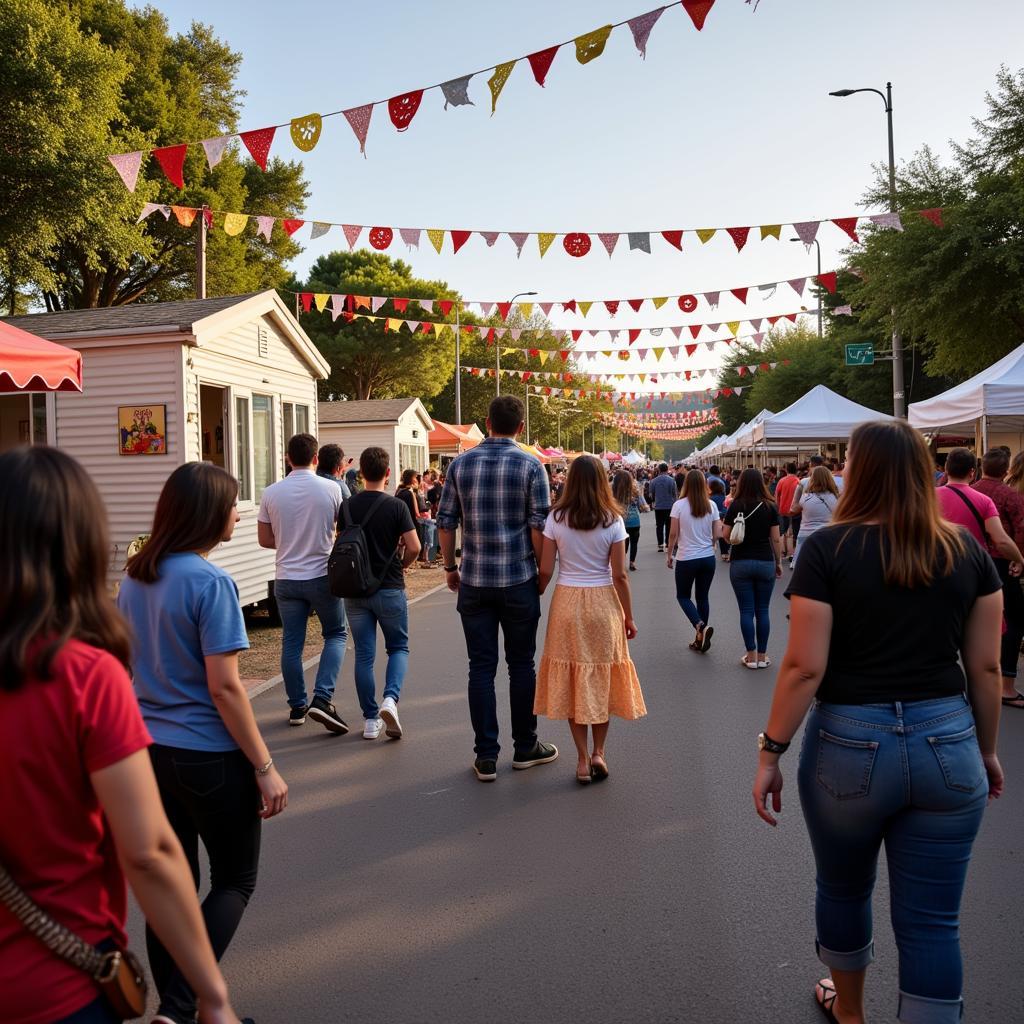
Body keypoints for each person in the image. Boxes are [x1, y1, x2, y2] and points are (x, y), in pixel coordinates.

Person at [753, 419, 1005, 1024]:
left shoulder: (828, 550)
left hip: (848, 740)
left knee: (843, 889)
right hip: (948, 739)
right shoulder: (965, 550)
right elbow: (988, 666)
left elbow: (803, 668)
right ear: (926, 472)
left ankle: (852, 1011)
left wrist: (771, 754)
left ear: (855, 473)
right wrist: (987, 750)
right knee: (933, 923)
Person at [0, 447, 243, 1024]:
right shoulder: (81, 676)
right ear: (79, 543)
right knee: (227, 874)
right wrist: (211, 996)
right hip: (54, 984)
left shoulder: (140, 582)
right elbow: (149, 855)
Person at [119, 462, 288, 1024]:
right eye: (234, 504)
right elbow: (225, 688)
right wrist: (264, 765)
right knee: (236, 879)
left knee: (175, 887)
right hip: (208, 756)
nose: (238, 513)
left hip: (147, 753)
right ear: (209, 515)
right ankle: (181, 1006)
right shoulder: (211, 582)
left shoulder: (135, 578)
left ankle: (177, 1007)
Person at [437, 395, 558, 782]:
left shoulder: (460, 464)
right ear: (520, 428)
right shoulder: (531, 466)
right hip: (518, 577)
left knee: (481, 668)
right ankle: (525, 746)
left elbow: (445, 522)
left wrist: (449, 566)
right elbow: (539, 525)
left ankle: (486, 755)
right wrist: (542, 573)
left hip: (474, 579)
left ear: (486, 422)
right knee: (521, 664)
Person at [534, 456, 645, 784]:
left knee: (572, 680)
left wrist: (537, 594)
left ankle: (582, 760)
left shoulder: (555, 518)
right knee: (601, 679)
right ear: (601, 480)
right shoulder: (613, 520)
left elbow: (545, 568)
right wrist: (629, 616)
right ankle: (599, 752)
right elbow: (620, 575)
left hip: (567, 602)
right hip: (602, 604)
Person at [257, 433, 349, 733]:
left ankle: (297, 705)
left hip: (286, 578)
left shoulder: (271, 492)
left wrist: (289, 541)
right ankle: (322, 698)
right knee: (335, 634)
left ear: (287, 458)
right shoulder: (332, 489)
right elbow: (344, 529)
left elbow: (265, 539)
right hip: (322, 574)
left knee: (291, 643)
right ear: (317, 458)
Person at [342, 447, 421, 740]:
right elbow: (414, 547)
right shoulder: (396, 506)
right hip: (388, 586)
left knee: (363, 654)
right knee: (398, 647)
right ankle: (390, 699)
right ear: (388, 474)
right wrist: (402, 566)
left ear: (361, 473)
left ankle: (370, 720)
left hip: (355, 589)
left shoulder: (347, 507)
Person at [971, 448, 1024, 709]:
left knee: (977, 621)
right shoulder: (1009, 495)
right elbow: (1020, 529)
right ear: (1005, 471)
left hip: (971, 562)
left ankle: (979, 679)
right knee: (1013, 620)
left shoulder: (969, 490)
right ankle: (1007, 685)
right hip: (1002, 562)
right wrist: (1019, 559)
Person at [723, 469, 782, 668]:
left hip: (740, 561)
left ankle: (751, 656)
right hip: (765, 561)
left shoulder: (735, 505)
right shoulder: (770, 506)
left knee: (746, 610)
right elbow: (775, 538)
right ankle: (763, 656)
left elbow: (726, 534)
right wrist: (779, 562)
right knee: (763, 610)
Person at [667, 469, 722, 654]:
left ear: (686, 485)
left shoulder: (679, 505)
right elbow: (717, 534)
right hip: (707, 557)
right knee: (703, 597)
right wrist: (711, 545)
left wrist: (669, 554)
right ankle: (700, 638)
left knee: (683, 596)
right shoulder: (711, 505)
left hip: (687, 557)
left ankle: (699, 625)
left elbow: (673, 533)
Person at [792, 465, 840, 568]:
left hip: (806, 537)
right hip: (829, 536)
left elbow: (793, 509)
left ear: (812, 479)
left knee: (805, 569)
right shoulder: (836, 498)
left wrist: (799, 492)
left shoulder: (806, 497)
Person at [612, 470, 646, 571]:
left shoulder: (613, 491)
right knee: (634, 543)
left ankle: (622, 563)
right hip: (634, 520)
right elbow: (643, 505)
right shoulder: (635, 490)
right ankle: (632, 562)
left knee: (622, 543)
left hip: (620, 521)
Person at [649, 463, 678, 552]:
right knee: (669, 525)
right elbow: (675, 494)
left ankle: (660, 544)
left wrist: (654, 501)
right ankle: (668, 543)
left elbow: (650, 494)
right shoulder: (672, 480)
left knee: (659, 526)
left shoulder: (653, 481)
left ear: (659, 470)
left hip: (659, 506)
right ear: (667, 470)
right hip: (670, 506)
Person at [709, 478, 730, 561]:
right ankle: (725, 552)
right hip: (724, 518)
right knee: (724, 535)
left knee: (716, 535)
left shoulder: (711, 499)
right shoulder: (724, 497)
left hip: (715, 520)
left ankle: (721, 552)